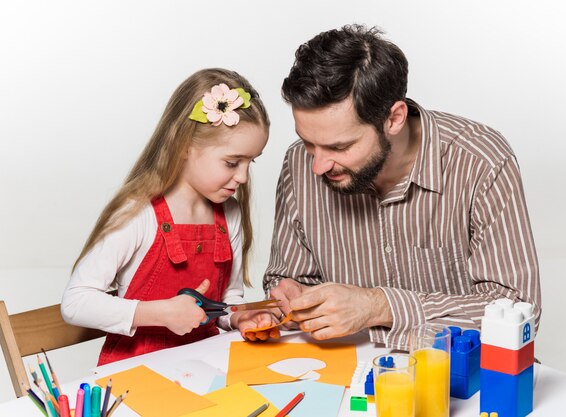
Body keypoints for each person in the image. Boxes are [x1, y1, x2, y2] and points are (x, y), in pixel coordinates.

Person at [265, 25, 541, 350]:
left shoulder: (481, 161)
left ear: (394, 118)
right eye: (308, 142)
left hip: (461, 381)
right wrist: (289, 293)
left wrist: (378, 306)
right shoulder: (298, 163)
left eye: (339, 147)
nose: (317, 166)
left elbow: (519, 309)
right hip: (343, 376)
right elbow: (287, 279)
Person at [62, 68, 278, 365]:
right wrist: (161, 314)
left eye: (249, 163)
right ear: (185, 147)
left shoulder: (229, 213)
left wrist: (240, 318)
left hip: (204, 368)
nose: (242, 176)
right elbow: (76, 302)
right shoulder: (138, 213)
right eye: (232, 162)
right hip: (136, 374)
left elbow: (227, 302)